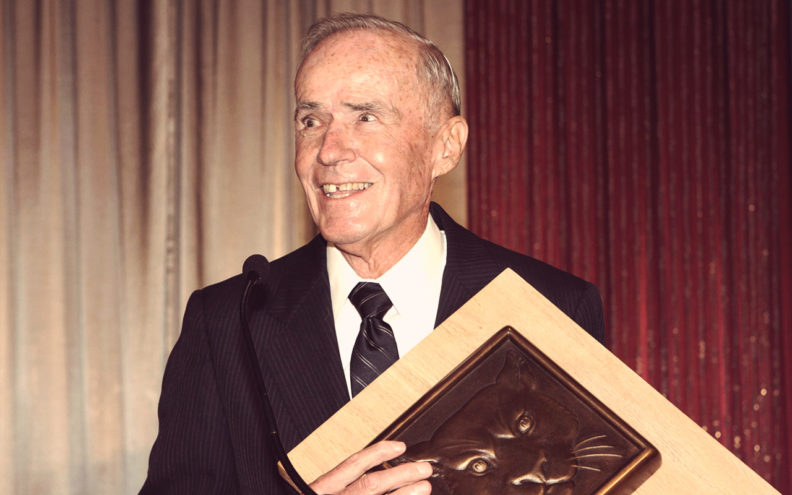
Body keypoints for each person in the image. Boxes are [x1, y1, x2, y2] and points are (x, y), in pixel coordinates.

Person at [141, 13, 605, 495]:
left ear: (445, 147)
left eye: (365, 116)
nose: (328, 150)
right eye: (311, 120)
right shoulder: (227, 322)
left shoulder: (551, 307)